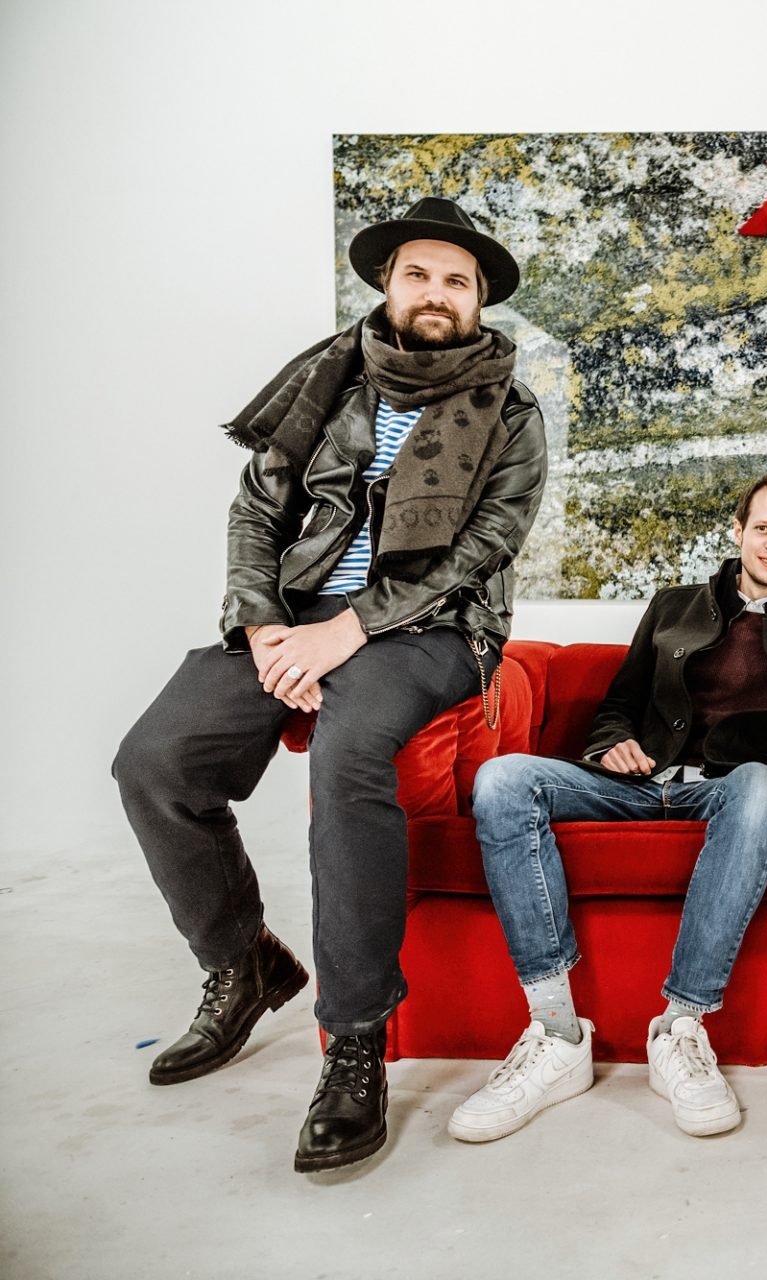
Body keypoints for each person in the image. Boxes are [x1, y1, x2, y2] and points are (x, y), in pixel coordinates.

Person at [113, 197, 547, 1173]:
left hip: (433, 631)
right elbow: (257, 510)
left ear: (479, 301)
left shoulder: (510, 411)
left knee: (349, 755)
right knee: (154, 758)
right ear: (389, 283)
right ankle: (241, 962)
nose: (436, 293)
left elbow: (486, 547)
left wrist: (345, 631)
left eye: (458, 280)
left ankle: (356, 1037)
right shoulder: (329, 379)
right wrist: (267, 625)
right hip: (297, 617)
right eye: (419, 274)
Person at [447, 476, 767, 1143]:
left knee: (762, 781)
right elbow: (619, 703)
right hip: (639, 783)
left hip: (731, 792)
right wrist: (612, 743)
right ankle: (556, 1032)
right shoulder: (673, 605)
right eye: (761, 528)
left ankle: (680, 1029)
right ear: (737, 532)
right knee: (504, 779)